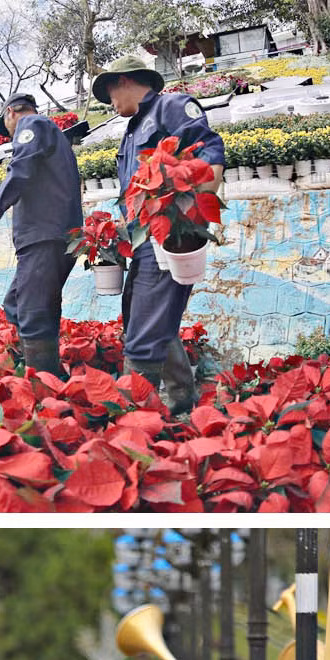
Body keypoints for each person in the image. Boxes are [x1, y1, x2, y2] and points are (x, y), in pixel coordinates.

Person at [97, 54, 226, 414]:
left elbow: (209, 152)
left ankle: (131, 420)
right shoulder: (132, 130)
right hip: (142, 242)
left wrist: (187, 203)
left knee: (143, 333)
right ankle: (181, 400)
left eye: (109, 91)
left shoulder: (171, 106)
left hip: (166, 238)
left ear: (123, 80)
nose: (109, 103)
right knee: (151, 318)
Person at [0, 92, 84, 378]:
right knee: (17, 303)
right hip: (51, 236)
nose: (9, 137)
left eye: (6, 130)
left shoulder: (32, 125)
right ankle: (51, 374)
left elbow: (19, 172)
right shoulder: (52, 133)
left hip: (44, 236)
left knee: (32, 313)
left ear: (10, 113)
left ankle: (45, 391)